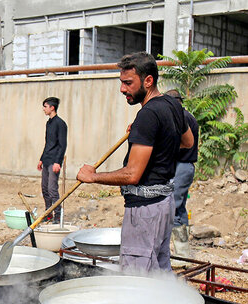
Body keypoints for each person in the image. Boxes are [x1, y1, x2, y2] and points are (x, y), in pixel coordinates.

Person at [76, 52, 194, 272]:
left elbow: (132, 175)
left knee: (137, 275)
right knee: (159, 267)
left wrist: (92, 177)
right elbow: (188, 142)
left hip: (145, 210)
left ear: (148, 80)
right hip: (164, 205)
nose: (122, 89)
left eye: (128, 83)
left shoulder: (148, 115)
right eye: (121, 82)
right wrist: (151, 138)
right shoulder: (172, 104)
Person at [166, 89, 199, 260]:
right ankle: (183, 252)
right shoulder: (188, 116)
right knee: (180, 208)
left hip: (181, 166)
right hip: (186, 167)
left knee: (173, 207)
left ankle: (180, 254)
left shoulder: (181, 118)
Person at [37, 97, 67, 222]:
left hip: (54, 161)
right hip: (47, 159)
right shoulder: (48, 123)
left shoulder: (60, 123)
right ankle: (48, 213)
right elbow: (47, 143)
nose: (43, 109)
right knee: (44, 188)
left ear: (52, 107)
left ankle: (58, 215)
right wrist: (41, 159)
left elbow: (62, 144)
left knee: (52, 189)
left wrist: (57, 162)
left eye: (45, 106)